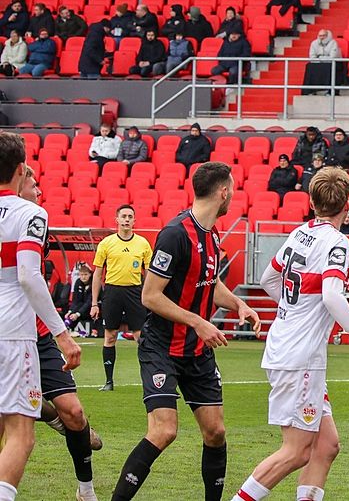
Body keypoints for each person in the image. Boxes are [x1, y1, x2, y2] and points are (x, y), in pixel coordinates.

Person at [231, 167, 349, 501]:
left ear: (311, 201)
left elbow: (267, 279)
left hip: (287, 346)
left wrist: (293, 309)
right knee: (296, 451)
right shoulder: (337, 241)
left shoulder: (300, 233)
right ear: (347, 205)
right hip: (300, 357)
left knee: (326, 445)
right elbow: (332, 296)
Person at [111, 162, 260, 501]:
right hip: (162, 347)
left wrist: (239, 304)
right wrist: (197, 321)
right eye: (233, 191)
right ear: (223, 192)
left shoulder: (212, 233)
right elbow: (150, 296)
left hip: (196, 351)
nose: (233, 196)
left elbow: (210, 282)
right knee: (164, 430)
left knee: (216, 431)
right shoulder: (175, 234)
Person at [0, 132, 82, 501]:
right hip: (12, 332)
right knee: (21, 432)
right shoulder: (30, 213)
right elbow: (28, 275)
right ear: (21, 169)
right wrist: (62, 334)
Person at [18, 166, 102, 501]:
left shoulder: (37, 222)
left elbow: (32, 279)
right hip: (9, 335)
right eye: (33, 184)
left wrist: (58, 332)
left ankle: (86, 490)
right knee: (15, 422)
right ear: (16, 182)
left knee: (75, 413)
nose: (39, 190)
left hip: (38, 335)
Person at [90, 205, 152, 391]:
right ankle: (109, 381)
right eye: (123, 216)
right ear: (116, 220)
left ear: (134, 221)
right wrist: (94, 303)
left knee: (140, 336)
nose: (126, 219)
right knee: (110, 336)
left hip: (135, 292)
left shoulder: (143, 243)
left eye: (130, 217)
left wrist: (149, 296)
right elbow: (97, 274)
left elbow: (149, 274)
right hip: (112, 292)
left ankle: (150, 379)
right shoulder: (106, 243)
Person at [303, 29, 341, 95]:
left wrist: (320, 58)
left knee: (332, 67)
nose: (321, 37)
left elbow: (332, 57)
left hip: (332, 63)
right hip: (319, 63)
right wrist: (322, 59)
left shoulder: (333, 43)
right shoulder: (314, 43)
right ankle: (310, 91)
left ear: (327, 36)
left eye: (324, 35)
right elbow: (312, 57)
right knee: (309, 66)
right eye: (320, 36)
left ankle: (330, 91)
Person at [65, 262, 94, 335]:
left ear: (90, 274)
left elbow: (89, 302)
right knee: (73, 310)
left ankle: (69, 326)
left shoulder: (94, 283)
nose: (83, 277)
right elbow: (75, 300)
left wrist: (77, 314)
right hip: (82, 307)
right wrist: (70, 311)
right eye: (81, 275)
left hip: (93, 307)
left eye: (85, 274)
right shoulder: (78, 282)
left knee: (82, 308)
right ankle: (68, 328)